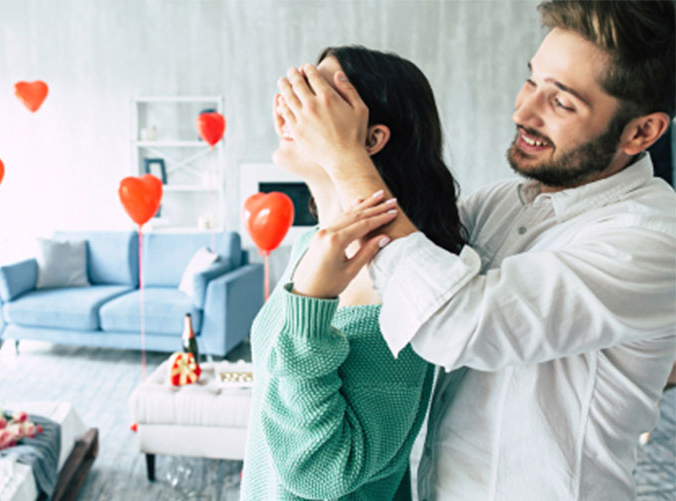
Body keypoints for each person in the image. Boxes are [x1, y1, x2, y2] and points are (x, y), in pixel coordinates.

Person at [272, 1, 676, 499]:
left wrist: (345, 153)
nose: (523, 112)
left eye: (562, 102)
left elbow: (454, 324)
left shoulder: (653, 240)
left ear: (643, 132)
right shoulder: (504, 203)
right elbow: (400, 243)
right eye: (532, 81)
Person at [239, 45, 465, 500]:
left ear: (370, 139)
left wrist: (312, 304)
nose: (294, 106)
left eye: (320, 94)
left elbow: (322, 471)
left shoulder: (395, 286)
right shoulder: (312, 246)